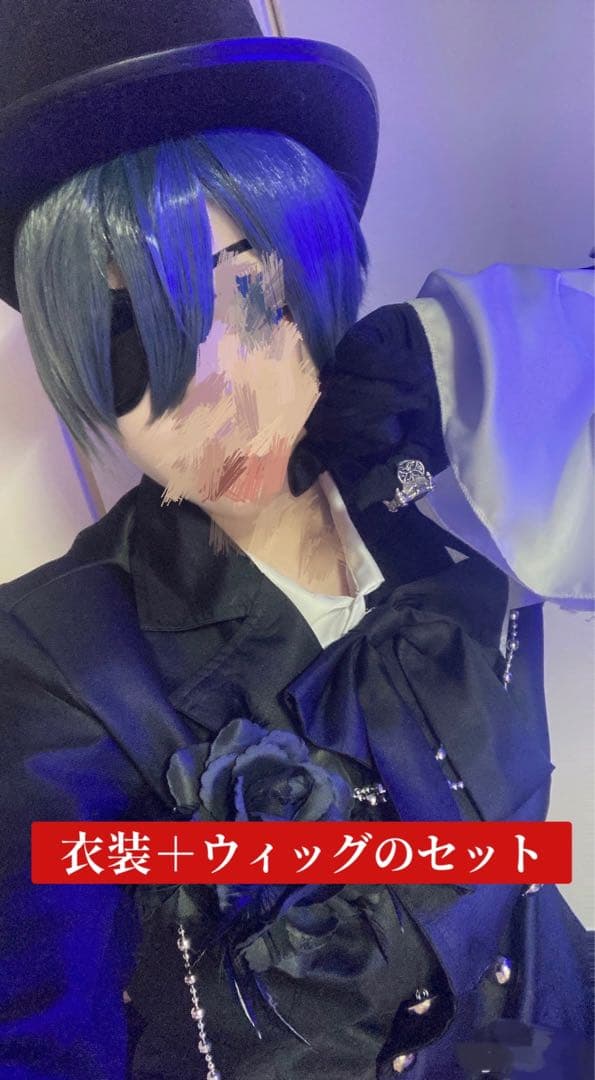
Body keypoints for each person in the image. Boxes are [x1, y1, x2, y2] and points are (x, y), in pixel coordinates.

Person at [0, 2, 592, 1079]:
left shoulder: (448, 463)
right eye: (134, 335)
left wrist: (493, 354)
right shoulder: (54, 664)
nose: (213, 393)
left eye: (249, 292)